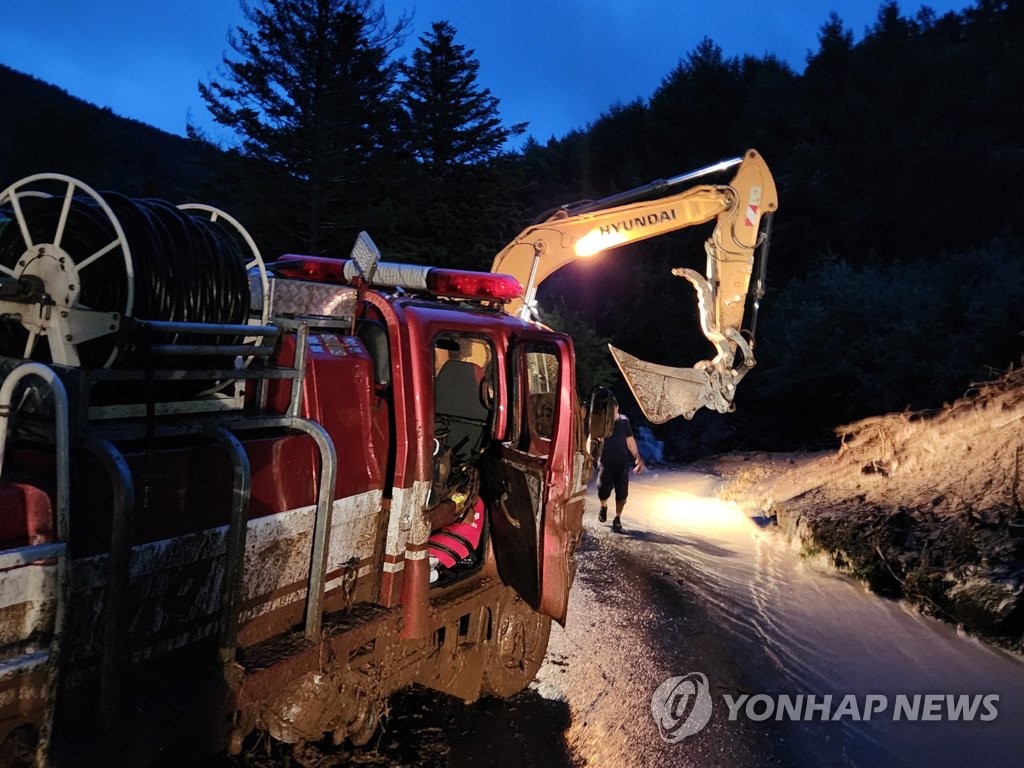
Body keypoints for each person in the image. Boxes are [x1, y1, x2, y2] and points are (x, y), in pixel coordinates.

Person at [597, 402, 645, 532]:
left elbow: (630, 440)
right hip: (606, 463)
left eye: (613, 408)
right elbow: (595, 439)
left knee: (622, 495)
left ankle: (617, 518)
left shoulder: (624, 422)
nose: (611, 411)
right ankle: (604, 506)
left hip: (622, 464)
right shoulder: (601, 422)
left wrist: (637, 457)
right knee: (602, 491)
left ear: (617, 407)